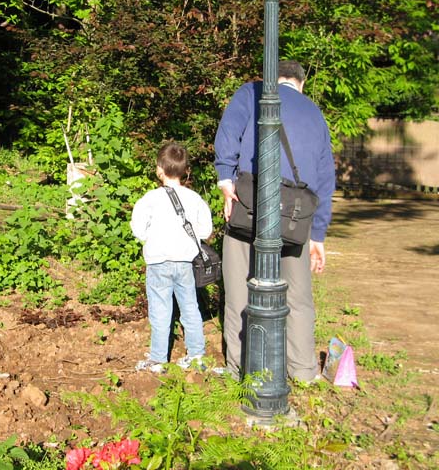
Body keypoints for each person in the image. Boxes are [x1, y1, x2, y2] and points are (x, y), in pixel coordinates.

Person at [214, 60, 335, 382]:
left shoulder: (250, 94)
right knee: (297, 297)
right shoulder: (314, 112)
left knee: (239, 290)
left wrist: (226, 181)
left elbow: (227, 136)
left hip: (249, 208)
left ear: (272, 78)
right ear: (300, 83)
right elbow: (326, 177)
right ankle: (303, 370)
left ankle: (241, 369)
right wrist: (318, 235)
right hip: (296, 218)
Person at [130, 141, 213, 373]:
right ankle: (196, 355)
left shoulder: (149, 199)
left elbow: (138, 230)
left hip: (158, 262)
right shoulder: (194, 199)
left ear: (159, 169)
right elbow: (206, 230)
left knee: (160, 310)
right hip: (185, 263)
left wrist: (152, 238)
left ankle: (158, 359)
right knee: (190, 308)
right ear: (186, 171)